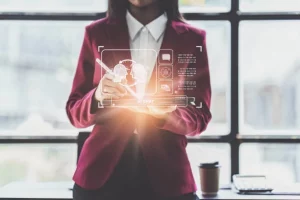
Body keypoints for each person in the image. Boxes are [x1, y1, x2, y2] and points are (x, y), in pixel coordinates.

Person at [66, 0, 212, 199]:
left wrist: (167, 114)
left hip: (168, 176)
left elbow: (200, 117)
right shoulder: (96, 33)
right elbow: (74, 111)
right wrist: (98, 95)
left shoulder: (192, 39)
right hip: (100, 178)